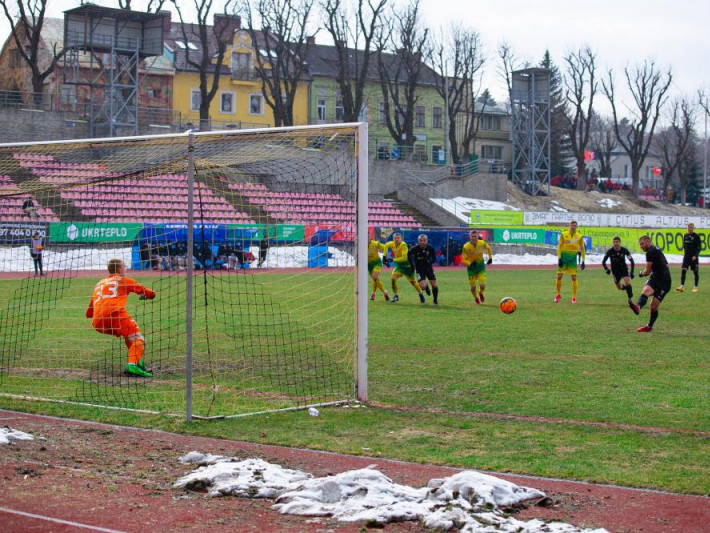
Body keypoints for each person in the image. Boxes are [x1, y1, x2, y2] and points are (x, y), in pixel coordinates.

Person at [85, 259, 156, 377]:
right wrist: (148, 296)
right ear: (119, 269)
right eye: (124, 267)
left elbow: (89, 312)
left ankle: (138, 362)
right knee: (139, 338)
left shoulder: (100, 284)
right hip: (115, 314)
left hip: (98, 323)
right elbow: (149, 293)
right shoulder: (124, 280)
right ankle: (132, 365)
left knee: (129, 336)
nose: (125, 269)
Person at [629, 235, 671, 332]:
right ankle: (638, 307)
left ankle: (649, 326)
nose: (641, 246)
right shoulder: (654, 249)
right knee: (646, 291)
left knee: (653, 306)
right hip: (655, 277)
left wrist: (641, 273)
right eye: (640, 244)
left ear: (648, 241)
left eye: (642, 244)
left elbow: (647, 271)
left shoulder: (651, 252)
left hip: (664, 282)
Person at [383, 232, 424, 303]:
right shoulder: (391, 243)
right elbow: (386, 245)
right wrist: (384, 256)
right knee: (393, 279)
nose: (396, 239)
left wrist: (392, 259)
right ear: (393, 239)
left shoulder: (403, 245)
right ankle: (396, 295)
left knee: (413, 282)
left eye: (398, 238)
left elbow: (404, 258)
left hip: (407, 266)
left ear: (401, 239)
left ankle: (420, 293)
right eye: (395, 238)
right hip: (399, 266)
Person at [555, 220, 586, 303]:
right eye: (571, 225)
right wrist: (559, 258)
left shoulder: (579, 236)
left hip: (573, 259)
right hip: (564, 258)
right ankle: (558, 294)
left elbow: (583, 249)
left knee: (574, 278)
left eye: (574, 225)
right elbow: (559, 247)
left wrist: (583, 261)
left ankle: (574, 297)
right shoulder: (564, 234)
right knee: (559, 276)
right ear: (569, 225)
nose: (573, 226)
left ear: (577, 226)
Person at [461, 230, 493, 305]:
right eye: (472, 236)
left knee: (482, 285)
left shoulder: (482, 243)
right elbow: (463, 260)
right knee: (473, 288)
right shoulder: (466, 246)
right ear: (470, 237)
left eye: (475, 236)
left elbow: (488, 248)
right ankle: (476, 298)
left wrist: (490, 258)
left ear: (478, 236)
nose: (474, 238)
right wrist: (470, 263)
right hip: (471, 270)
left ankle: (480, 293)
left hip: (480, 267)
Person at [602, 236, 635, 302]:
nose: (615, 243)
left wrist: (632, 272)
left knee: (628, 283)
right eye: (614, 242)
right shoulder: (610, 251)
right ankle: (626, 288)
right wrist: (606, 269)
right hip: (615, 271)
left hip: (624, 269)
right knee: (619, 287)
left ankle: (630, 298)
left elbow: (632, 261)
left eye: (617, 242)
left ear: (620, 243)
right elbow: (603, 262)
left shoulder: (624, 250)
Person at [408, 234, 439, 305]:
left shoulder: (431, 248)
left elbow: (434, 259)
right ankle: (426, 287)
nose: (422, 242)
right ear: (418, 241)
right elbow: (409, 254)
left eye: (424, 240)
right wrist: (412, 265)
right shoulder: (414, 249)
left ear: (427, 241)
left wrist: (430, 261)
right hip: (419, 269)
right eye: (420, 241)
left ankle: (435, 300)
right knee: (422, 287)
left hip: (429, 269)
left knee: (434, 285)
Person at [677, 223, 701, 293]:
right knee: (683, 270)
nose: (689, 228)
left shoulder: (696, 236)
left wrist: (695, 256)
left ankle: (695, 287)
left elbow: (699, 248)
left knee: (695, 272)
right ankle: (681, 286)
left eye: (691, 227)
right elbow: (685, 246)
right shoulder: (685, 235)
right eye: (688, 227)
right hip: (686, 257)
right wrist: (686, 254)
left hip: (693, 257)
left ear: (693, 228)